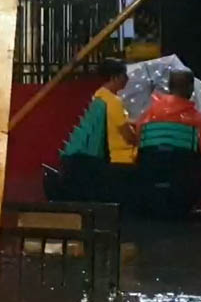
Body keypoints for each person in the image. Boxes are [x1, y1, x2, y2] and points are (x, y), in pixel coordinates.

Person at [134, 69, 201, 217]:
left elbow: (138, 142)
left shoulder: (146, 116)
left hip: (150, 183)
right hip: (186, 189)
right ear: (190, 88)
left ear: (169, 87)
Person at [45, 59, 137, 202]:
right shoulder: (114, 101)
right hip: (122, 157)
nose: (127, 78)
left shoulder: (99, 96)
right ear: (115, 77)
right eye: (124, 75)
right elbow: (127, 135)